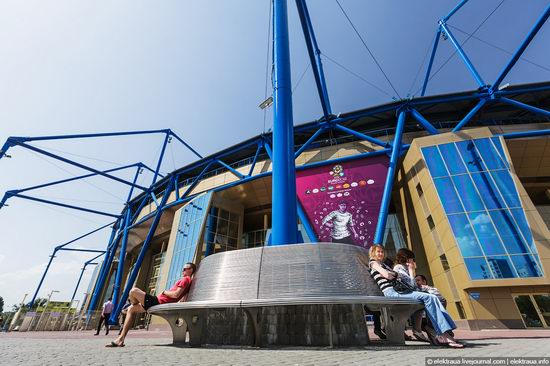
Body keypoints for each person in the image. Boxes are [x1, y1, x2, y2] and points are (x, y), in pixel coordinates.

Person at [367, 245, 464, 348]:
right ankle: (442, 334)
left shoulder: (383, 265)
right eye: (378, 252)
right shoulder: (373, 263)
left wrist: (393, 274)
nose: (381, 253)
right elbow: (387, 275)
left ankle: (445, 332)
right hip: (391, 292)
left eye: (382, 251)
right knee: (429, 297)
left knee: (433, 297)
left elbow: (394, 275)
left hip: (398, 291)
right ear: (373, 252)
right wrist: (393, 274)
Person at [107, 262, 196, 347]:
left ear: (191, 270)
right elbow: (183, 297)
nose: (183, 270)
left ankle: (133, 304)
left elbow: (176, 294)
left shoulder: (185, 279)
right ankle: (120, 339)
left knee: (133, 291)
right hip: (157, 302)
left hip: (158, 302)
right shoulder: (188, 280)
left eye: (185, 269)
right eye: (183, 269)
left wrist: (164, 292)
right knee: (131, 310)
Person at [393, 248, 429, 342]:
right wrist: (412, 272)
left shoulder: (406, 268)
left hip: (407, 293)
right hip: (401, 295)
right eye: (412, 258)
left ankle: (418, 330)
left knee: (424, 301)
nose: (413, 261)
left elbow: (413, 287)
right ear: (408, 258)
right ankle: (418, 330)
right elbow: (412, 286)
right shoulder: (398, 268)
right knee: (424, 300)